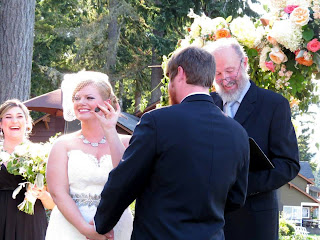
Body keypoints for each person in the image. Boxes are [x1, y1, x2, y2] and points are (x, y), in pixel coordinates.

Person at [93, 46, 250, 240]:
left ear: (181, 73)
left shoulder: (157, 122)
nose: (169, 87)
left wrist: (102, 223)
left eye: (169, 79)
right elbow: (236, 198)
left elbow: (126, 180)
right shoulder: (238, 133)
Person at [206, 38, 300, 240]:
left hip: (253, 223)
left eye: (230, 70)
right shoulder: (206, 104)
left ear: (245, 63)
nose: (224, 79)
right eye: (218, 73)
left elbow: (289, 164)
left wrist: (238, 186)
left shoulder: (274, 105)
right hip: (207, 221)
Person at [45, 71, 133, 240]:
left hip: (116, 226)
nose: (81, 103)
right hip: (70, 227)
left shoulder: (128, 143)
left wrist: (110, 131)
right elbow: (58, 193)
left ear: (107, 103)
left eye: (89, 98)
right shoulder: (62, 145)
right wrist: (85, 229)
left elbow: (126, 179)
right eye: (77, 98)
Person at [0, 99, 55, 240]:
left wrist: (41, 194)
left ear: (28, 123)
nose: (14, 121)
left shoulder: (41, 155)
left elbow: (52, 204)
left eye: (19, 116)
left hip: (30, 223)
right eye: (8, 117)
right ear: (1, 123)